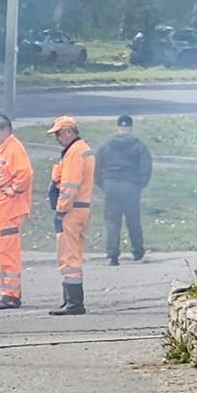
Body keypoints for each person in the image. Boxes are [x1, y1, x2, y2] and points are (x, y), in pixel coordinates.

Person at [0, 112, 34, 310]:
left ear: (6, 130)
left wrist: (12, 190)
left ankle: (11, 296)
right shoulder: (4, 148)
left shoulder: (13, 149)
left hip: (8, 212)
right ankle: (8, 294)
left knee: (8, 254)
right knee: (4, 253)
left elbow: (25, 174)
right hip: (2, 212)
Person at [46, 115, 95, 315]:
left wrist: (61, 209)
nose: (57, 138)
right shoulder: (82, 149)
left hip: (72, 210)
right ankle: (70, 300)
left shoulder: (75, 152)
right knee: (71, 253)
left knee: (69, 255)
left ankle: (74, 303)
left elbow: (69, 185)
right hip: (79, 208)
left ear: (68, 132)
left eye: (58, 133)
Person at [95, 113, 152, 265]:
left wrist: (104, 184)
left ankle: (112, 255)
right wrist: (139, 184)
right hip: (130, 186)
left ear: (118, 127)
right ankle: (138, 252)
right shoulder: (138, 145)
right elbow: (146, 168)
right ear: (130, 128)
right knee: (133, 220)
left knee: (112, 221)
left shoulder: (106, 145)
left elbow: (97, 167)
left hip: (111, 185)